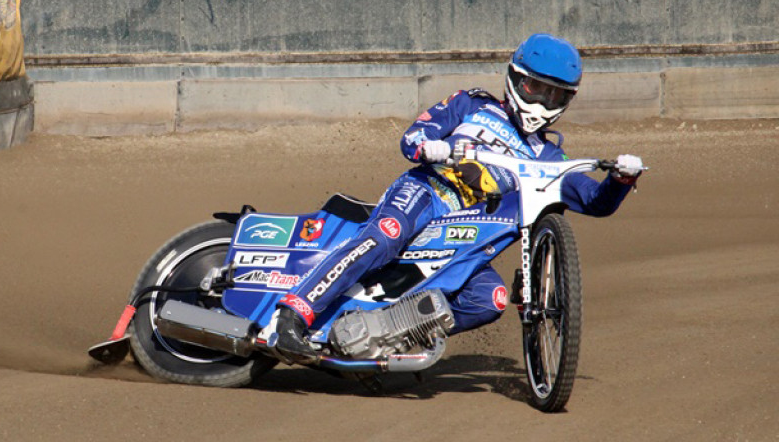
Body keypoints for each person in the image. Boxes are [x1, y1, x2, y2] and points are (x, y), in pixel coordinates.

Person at [264, 33, 645, 364]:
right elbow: (412, 137)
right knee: (386, 234)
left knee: (491, 299)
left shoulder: (549, 158)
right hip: (426, 192)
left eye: (555, 95)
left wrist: (620, 179)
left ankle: (385, 338)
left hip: (465, 234)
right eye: (536, 88)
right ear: (515, 79)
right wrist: (431, 149)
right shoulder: (470, 104)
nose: (543, 101)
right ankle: (290, 318)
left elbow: (596, 201)